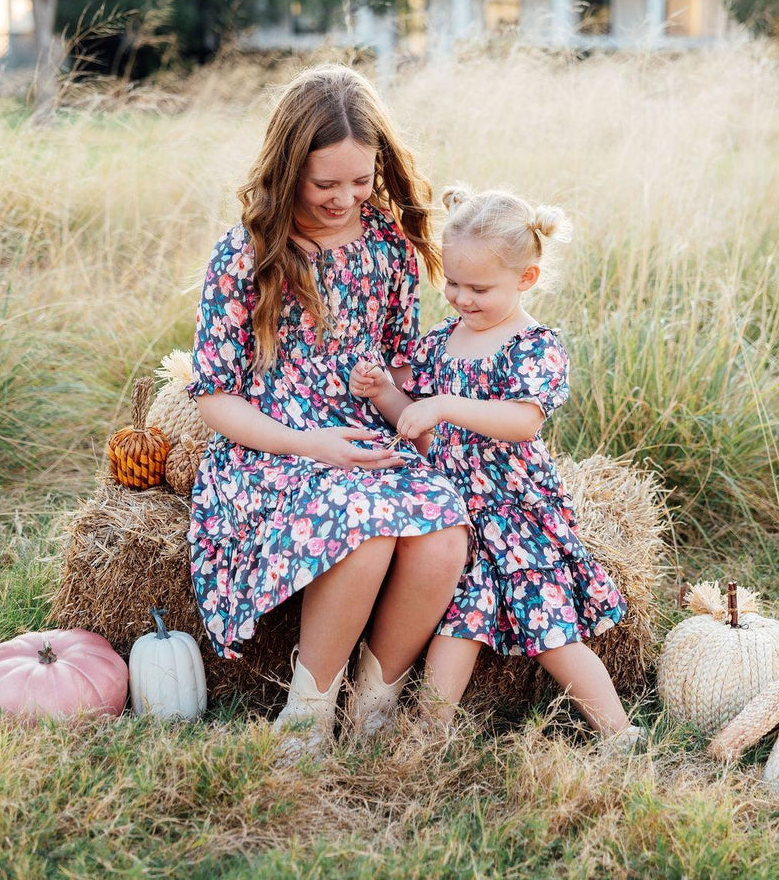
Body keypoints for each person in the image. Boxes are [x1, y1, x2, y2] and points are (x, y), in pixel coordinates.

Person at [186, 65, 470, 751]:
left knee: (444, 536)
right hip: (275, 447)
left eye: (360, 180)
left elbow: (401, 362)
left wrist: (405, 412)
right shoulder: (248, 253)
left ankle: (374, 706)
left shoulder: (388, 247)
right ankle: (307, 713)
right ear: (288, 171)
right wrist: (311, 443)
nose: (345, 198)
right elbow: (213, 396)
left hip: (369, 440)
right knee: (363, 526)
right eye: (324, 184)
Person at [350, 186, 641, 744]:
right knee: (458, 626)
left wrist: (446, 405)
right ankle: (427, 734)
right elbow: (419, 421)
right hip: (455, 515)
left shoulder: (533, 346)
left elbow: (522, 421)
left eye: (479, 288)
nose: (461, 297)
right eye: (452, 283)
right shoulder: (438, 343)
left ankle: (619, 733)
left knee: (552, 632)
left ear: (526, 279)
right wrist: (386, 392)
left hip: (513, 514)